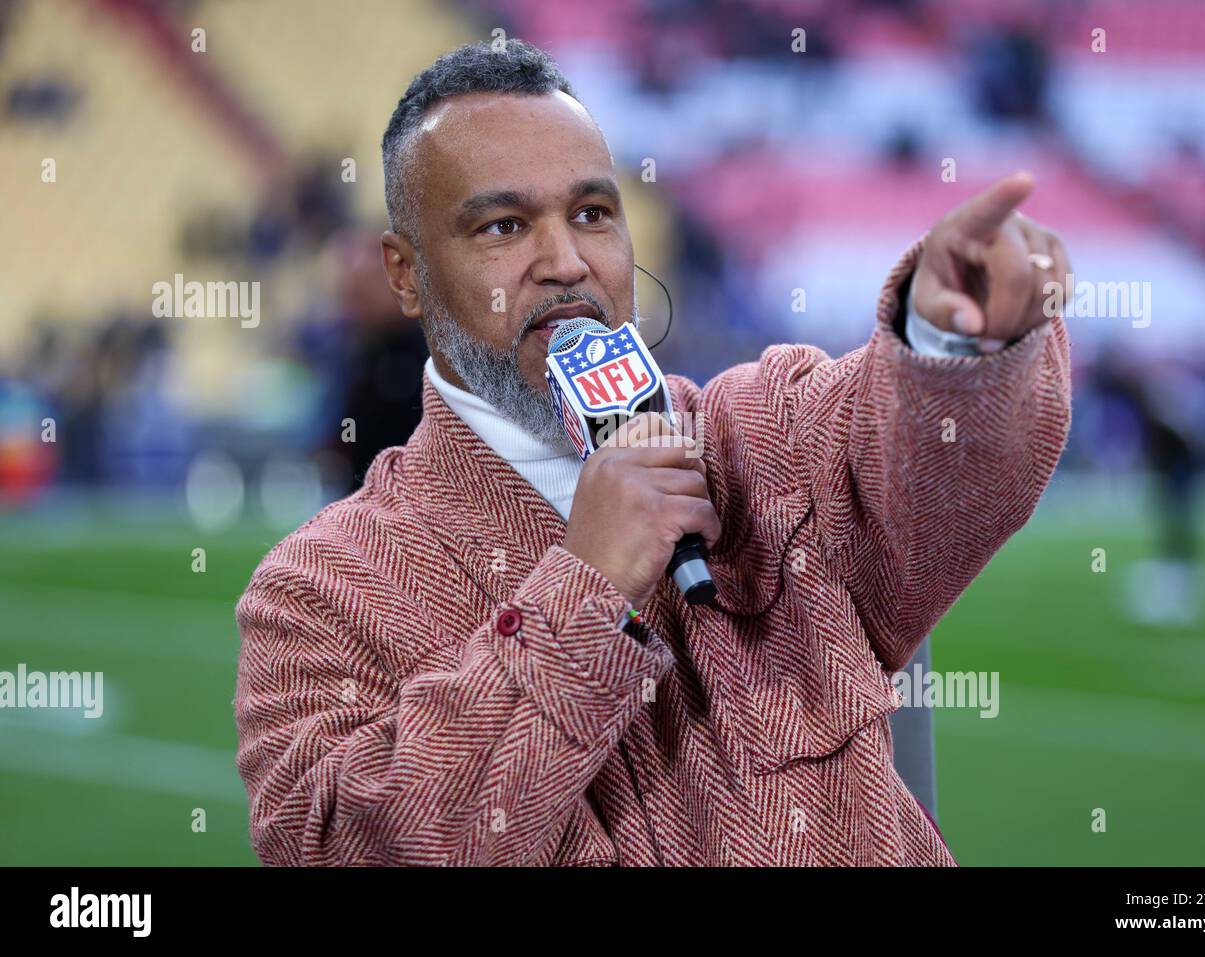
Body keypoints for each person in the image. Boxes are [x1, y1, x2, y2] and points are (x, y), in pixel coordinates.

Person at [233, 39, 1072, 866]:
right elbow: (350, 844)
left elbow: (925, 457)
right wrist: (585, 587)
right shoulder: (317, 591)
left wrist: (951, 344)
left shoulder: (758, 430)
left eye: (594, 214)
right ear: (405, 274)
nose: (565, 263)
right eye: (503, 225)